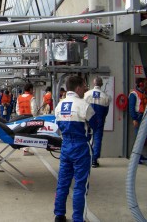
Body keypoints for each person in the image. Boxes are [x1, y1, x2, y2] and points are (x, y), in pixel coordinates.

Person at [54, 76, 98, 222]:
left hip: (65, 146)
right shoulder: (84, 105)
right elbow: (96, 125)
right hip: (81, 147)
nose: (85, 88)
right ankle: (78, 218)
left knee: (63, 182)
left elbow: (58, 127)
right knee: (80, 184)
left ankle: (59, 215)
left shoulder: (59, 105)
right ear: (78, 88)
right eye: (84, 86)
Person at [84, 76, 111, 168]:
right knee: (97, 139)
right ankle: (94, 160)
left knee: (86, 138)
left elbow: (83, 107)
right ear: (102, 84)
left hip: (88, 119)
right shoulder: (105, 96)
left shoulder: (87, 94)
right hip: (99, 119)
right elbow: (106, 112)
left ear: (93, 83)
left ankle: (85, 158)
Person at [128, 77, 147, 163]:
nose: (146, 85)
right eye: (144, 83)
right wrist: (134, 119)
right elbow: (131, 107)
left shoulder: (145, 93)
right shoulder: (134, 94)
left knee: (143, 138)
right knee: (138, 138)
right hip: (138, 116)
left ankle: (139, 155)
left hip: (144, 116)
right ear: (140, 84)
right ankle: (135, 157)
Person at [16, 83, 38, 156]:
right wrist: (34, 117)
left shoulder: (19, 97)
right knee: (28, 134)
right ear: (30, 89)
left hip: (21, 117)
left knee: (22, 132)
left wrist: (20, 115)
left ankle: (24, 148)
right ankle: (25, 150)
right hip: (29, 117)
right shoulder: (32, 98)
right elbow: (34, 109)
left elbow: (17, 109)